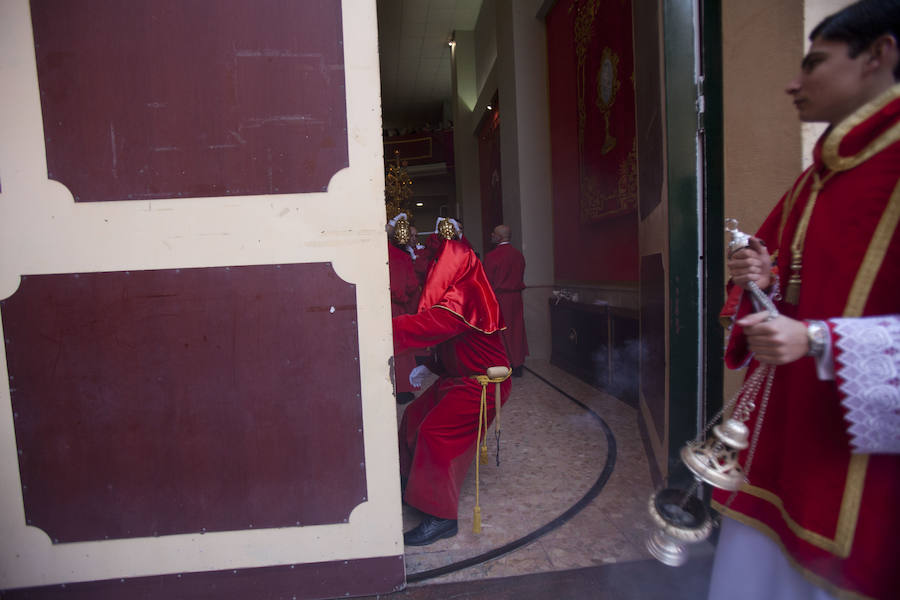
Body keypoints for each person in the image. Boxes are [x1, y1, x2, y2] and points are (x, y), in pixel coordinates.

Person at [710, 2, 900, 599]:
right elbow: (784, 297)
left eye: (814, 63)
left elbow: (814, 328)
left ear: (879, 56)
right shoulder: (817, 180)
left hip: (867, 461)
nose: (794, 82)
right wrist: (762, 280)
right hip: (787, 442)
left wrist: (818, 339)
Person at [393, 218, 511, 546]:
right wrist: (430, 365)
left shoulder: (467, 297)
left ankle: (440, 517)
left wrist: (383, 328)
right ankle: (410, 487)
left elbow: (431, 326)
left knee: (436, 434)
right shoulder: (459, 293)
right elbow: (449, 344)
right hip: (459, 380)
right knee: (413, 416)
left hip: (481, 386)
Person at [483, 224, 529, 377]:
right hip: (516, 298)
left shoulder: (492, 257)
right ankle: (518, 365)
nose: (491, 235)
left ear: (500, 237)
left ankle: (503, 364)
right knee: (516, 330)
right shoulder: (518, 255)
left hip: (499, 298)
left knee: (500, 331)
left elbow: (486, 281)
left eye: (494, 234)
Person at [386, 214, 420, 404]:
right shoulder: (401, 257)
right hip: (397, 307)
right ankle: (402, 390)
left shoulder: (375, 254)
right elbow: (411, 285)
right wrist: (405, 298)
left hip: (377, 307)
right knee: (400, 350)